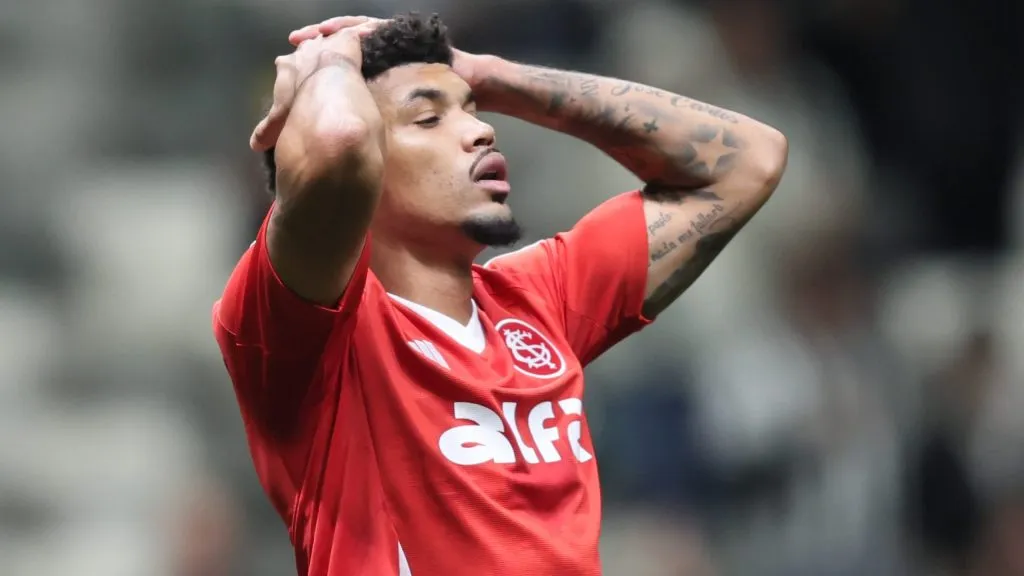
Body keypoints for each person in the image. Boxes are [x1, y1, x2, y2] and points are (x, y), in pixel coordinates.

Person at [212, 12, 787, 576]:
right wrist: (330, 60)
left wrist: (488, 74)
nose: (481, 129)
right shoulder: (301, 337)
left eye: (472, 109)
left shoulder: (539, 298)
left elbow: (747, 160)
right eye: (428, 119)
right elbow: (337, 142)